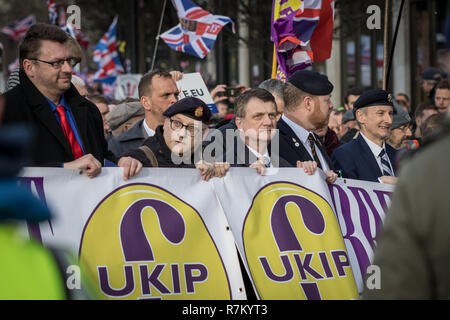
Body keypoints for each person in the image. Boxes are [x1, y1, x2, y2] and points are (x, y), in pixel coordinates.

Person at [2, 23, 114, 178]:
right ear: (29, 67)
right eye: (56, 63)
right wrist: (63, 168)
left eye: (69, 61)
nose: (68, 69)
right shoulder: (8, 109)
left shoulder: (89, 110)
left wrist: (122, 163)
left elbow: (103, 157)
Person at [363, 121, 450, 299]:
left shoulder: (426, 167)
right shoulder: (426, 166)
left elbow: (393, 281)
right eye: (380, 113)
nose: (387, 120)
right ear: (361, 117)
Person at [117, 97, 229, 182]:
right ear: (165, 122)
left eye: (192, 129)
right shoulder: (143, 156)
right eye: (177, 124)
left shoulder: (211, 154)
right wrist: (126, 162)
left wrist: (219, 172)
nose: (182, 134)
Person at [107, 70, 179, 158]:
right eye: (166, 95)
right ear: (146, 103)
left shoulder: (190, 140)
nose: (174, 100)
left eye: (176, 94)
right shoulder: (119, 146)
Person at [331, 89, 397, 184]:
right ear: (361, 116)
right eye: (381, 113)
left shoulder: (397, 155)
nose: (389, 120)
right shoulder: (344, 155)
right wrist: (380, 183)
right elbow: (346, 195)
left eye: (390, 113)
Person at [277, 69, 335, 171]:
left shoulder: (314, 139)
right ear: (308, 103)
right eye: (327, 100)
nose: (331, 105)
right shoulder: (272, 140)